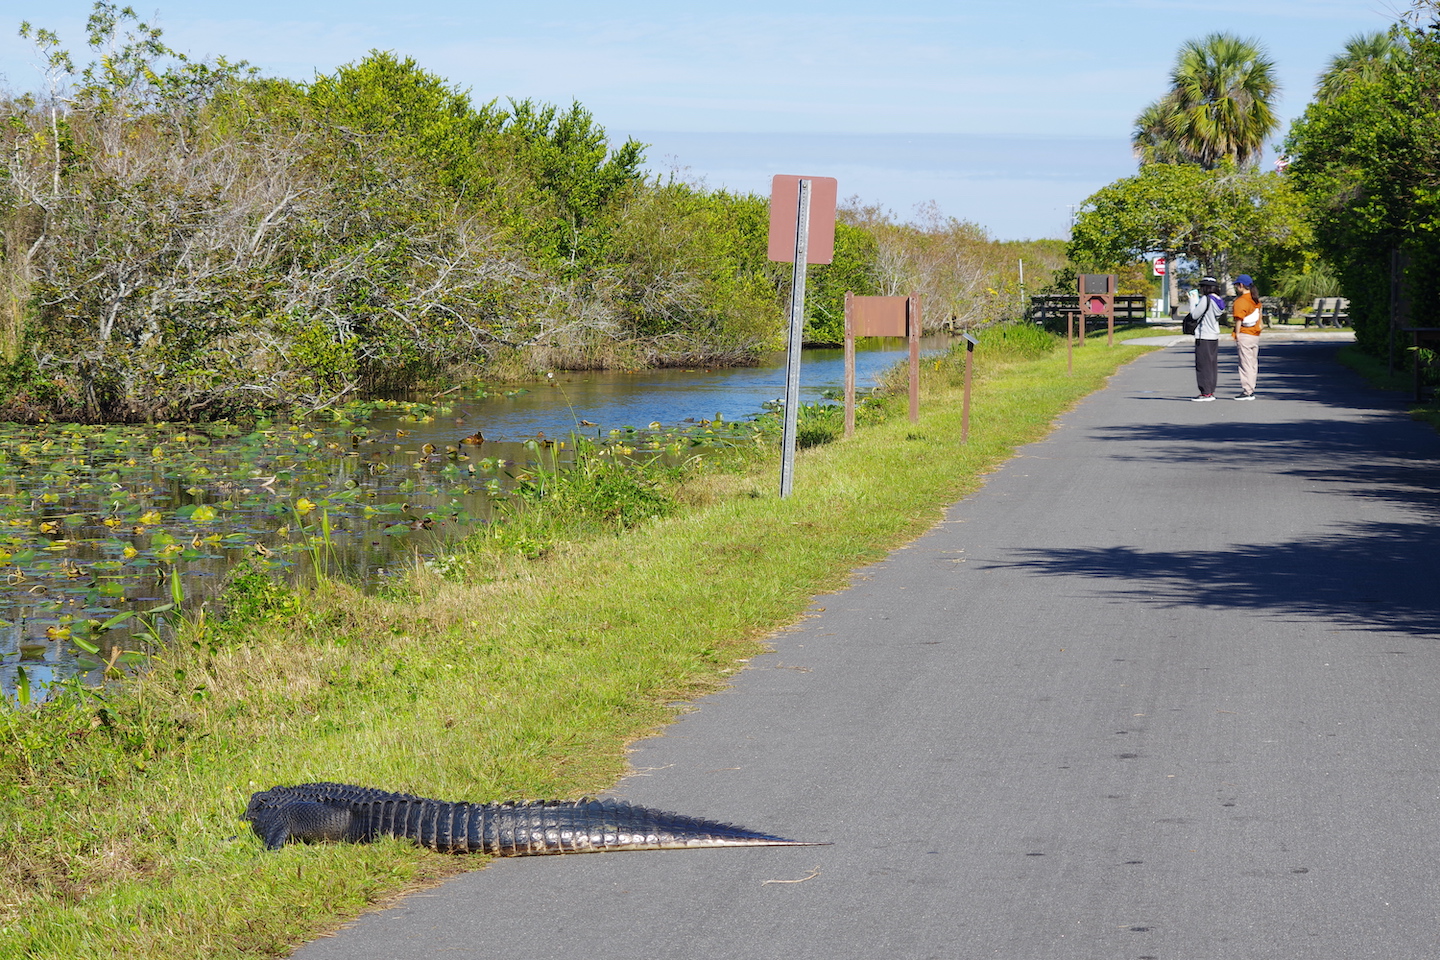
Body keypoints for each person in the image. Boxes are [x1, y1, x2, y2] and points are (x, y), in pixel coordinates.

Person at [1187, 276, 1224, 401]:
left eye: (1202, 287)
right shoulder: (1219, 300)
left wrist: (1192, 301)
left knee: (1203, 365)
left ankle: (1205, 392)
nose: (1201, 289)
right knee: (1212, 364)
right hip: (1214, 335)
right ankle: (1210, 390)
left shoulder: (1206, 299)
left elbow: (1195, 314)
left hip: (1204, 335)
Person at [1231, 274, 1262, 399]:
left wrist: (1237, 334)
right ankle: (1251, 387)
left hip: (1245, 333)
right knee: (1253, 363)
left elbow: (1239, 319)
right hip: (1255, 334)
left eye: (1237, 285)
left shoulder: (1241, 301)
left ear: (1241, 285)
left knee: (1245, 364)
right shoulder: (1255, 300)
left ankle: (1247, 390)